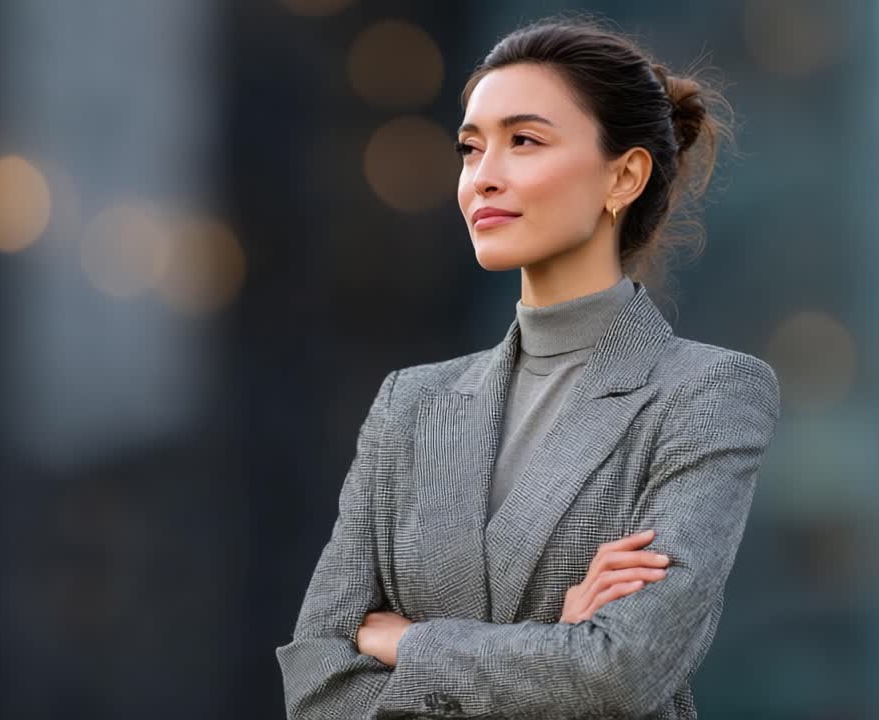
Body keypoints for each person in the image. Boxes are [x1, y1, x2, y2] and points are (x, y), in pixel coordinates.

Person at [276, 13, 781, 719]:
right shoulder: (410, 404)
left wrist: (410, 641)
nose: (482, 177)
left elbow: (621, 674)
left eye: (523, 141)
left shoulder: (707, 393)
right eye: (470, 148)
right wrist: (553, 647)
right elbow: (318, 688)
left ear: (624, 175)